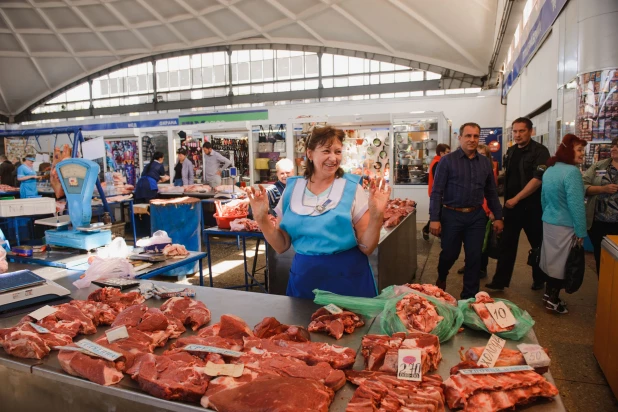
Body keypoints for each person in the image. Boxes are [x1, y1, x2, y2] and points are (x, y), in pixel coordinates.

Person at [245, 126, 391, 299]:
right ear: (310, 153)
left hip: (347, 279)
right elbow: (281, 245)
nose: (333, 158)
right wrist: (262, 218)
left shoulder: (352, 189)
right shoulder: (291, 190)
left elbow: (366, 247)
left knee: (350, 324)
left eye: (337, 151)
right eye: (326, 151)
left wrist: (376, 215)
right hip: (305, 280)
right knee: (304, 324)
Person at [429, 123, 504, 299]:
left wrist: (498, 216)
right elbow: (436, 191)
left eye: (475, 136)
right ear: (460, 137)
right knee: (449, 254)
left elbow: (491, 192)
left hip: (476, 216)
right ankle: (442, 276)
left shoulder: (485, 163)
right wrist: (434, 218)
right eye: (468, 136)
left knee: (474, 257)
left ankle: (468, 298)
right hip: (451, 215)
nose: (472, 140)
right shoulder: (447, 161)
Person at [486, 117, 550, 292]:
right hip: (512, 209)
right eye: (515, 131)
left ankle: (539, 279)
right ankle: (499, 281)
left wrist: (517, 198)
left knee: (537, 246)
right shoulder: (511, 151)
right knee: (506, 245)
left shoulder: (541, 151)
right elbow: (509, 176)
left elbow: (537, 179)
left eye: (522, 131)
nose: (518, 134)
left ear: (531, 131)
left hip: (533, 208)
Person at [539, 134, 587, 314]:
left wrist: (547, 214)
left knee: (550, 260)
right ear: (568, 150)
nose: (582, 154)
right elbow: (576, 205)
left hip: (549, 221)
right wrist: (581, 231)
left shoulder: (550, 169)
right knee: (562, 263)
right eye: (580, 150)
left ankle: (547, 294)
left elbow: (543, 198)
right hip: (565, 225)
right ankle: (553, 300)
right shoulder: (572, 172)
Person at [457, 144, 497, 278]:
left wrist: (492, 211)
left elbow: (492, 193)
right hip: (473, 210)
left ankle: (481, 268)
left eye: (483, 154)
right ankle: (469, 264)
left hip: (483, 211)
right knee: (469, 243)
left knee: (483, 243)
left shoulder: (489, 170)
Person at [582, 137, 618, 275]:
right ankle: (604, 290)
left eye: (617, 146)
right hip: (599, 223)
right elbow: (582, 185)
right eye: (613, 145)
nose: (613, 148)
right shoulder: (599, 166)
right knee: (601, 258)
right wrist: (602, 189)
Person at [422, 144, 450, 240]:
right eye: (447, 153)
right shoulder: (438, 163)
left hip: (436, 193)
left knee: (439, 213)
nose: (449, 155)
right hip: (438, 194)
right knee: (438, 214)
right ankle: (429, 230)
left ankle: (428, 230)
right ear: (441, 153)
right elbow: (438, 181)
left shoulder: (437, 161)